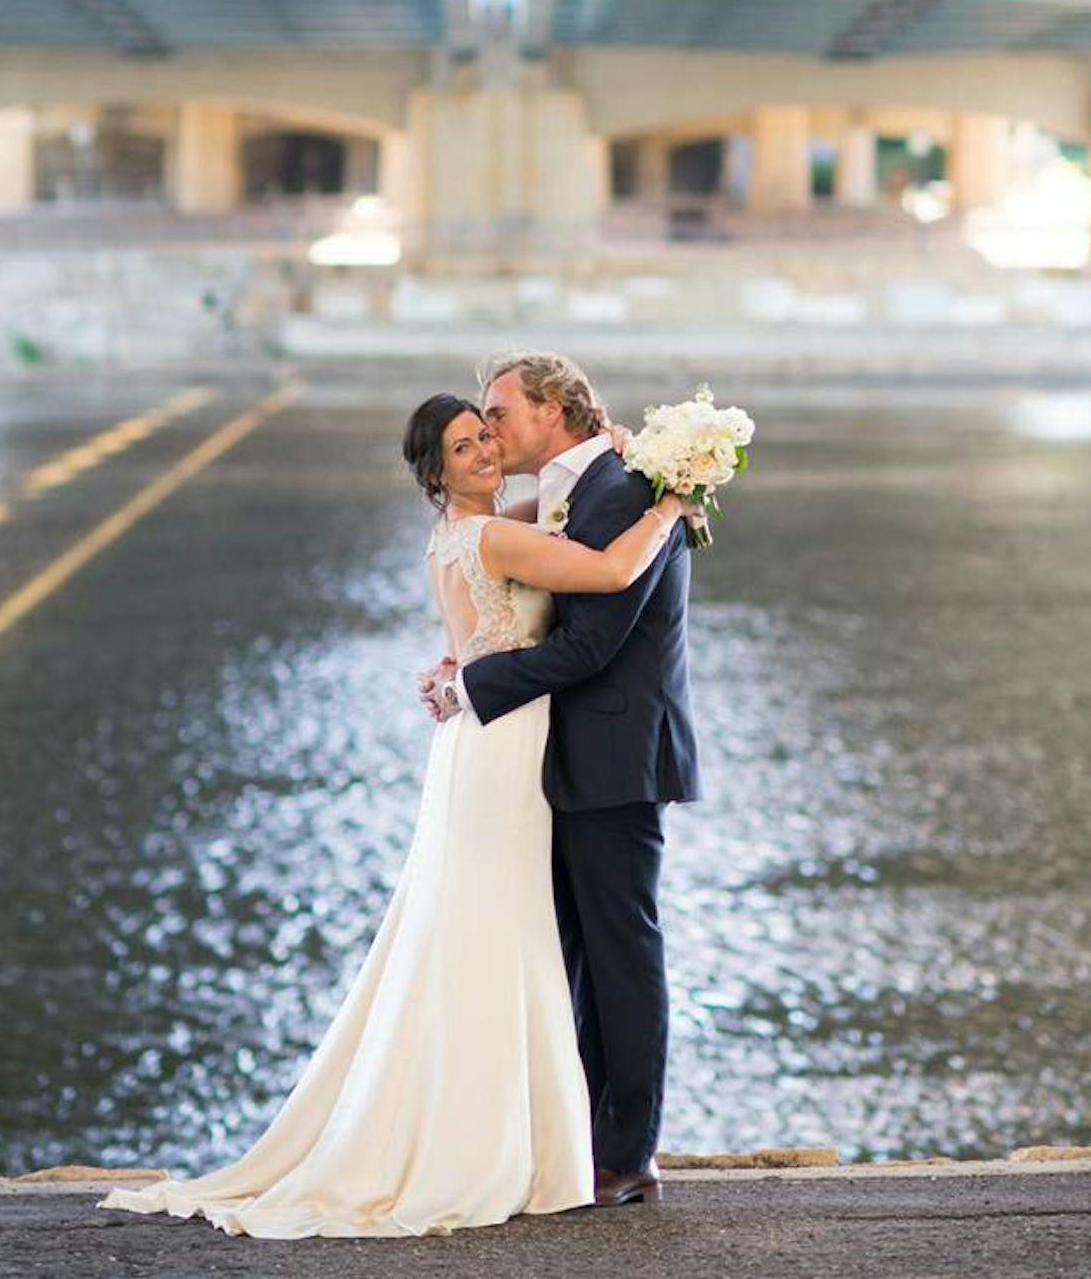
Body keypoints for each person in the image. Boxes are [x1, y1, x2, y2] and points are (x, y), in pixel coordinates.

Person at [95, 381, 693, 1240]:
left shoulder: (485, 524)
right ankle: (504, 1140)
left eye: (488, 433)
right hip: (498, 751)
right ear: (435, 473)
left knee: (505, 934)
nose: (486, 450)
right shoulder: (489, 533)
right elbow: (602, 568)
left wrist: (622, 453)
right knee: (501, 936)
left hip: (500, 745)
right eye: (464, 446)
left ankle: (526, 1134)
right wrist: (674, 502)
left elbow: (557, 513)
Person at [420, 351, 701, 1207]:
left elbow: (592, 644)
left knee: (621, 952)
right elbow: (512, 590)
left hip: (616, 758)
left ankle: (629, 1154)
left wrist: (469, 686)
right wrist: (466, 656)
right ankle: (575, 1137)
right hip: (552, 758)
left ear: (554, 410)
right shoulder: (578, 487)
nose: (491, 430)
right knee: (569, 955)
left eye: (499, 413)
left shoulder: (622, 491)